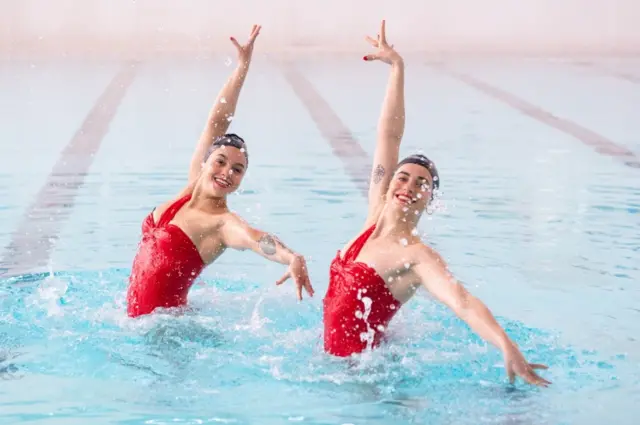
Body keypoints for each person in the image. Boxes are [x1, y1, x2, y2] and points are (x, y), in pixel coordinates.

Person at [322, 20, 550, 387]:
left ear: (430, 200)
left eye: (422, 184)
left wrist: (506, 346)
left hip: (361, 382)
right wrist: (397, 68)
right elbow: (389, 133)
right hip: (334, 369)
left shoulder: (416, 256)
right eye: (404, 177)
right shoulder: (373, 216)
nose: (409, 186)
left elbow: (461, 301)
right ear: (390, 182)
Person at [127, 25, 314, 318]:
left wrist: (291, 257)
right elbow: (218, 120)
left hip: (163, 335)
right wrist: (242, 67)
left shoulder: (222, 224)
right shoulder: (192, 184)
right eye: (221, 161)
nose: (227, 172)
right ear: (205, 161)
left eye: (238, 170)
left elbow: (257, 240)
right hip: (139, 325)